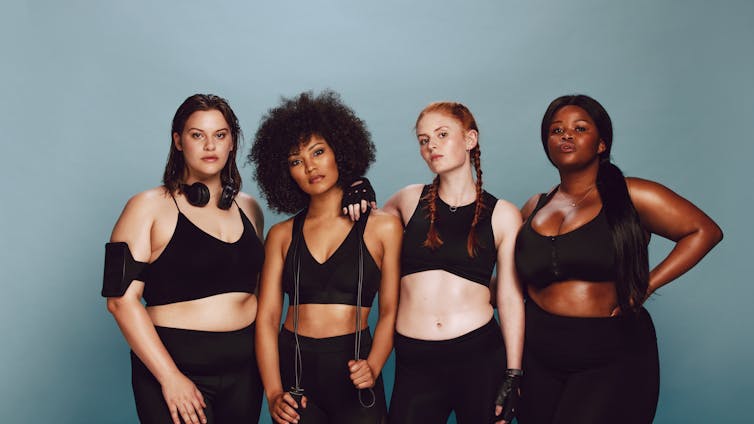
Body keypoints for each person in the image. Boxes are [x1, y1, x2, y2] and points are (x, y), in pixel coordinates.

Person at [514, 94, 723, 423]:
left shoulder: (631, 195)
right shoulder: (533, 207)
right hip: (538, 354)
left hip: (608, 353)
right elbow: (514, 283)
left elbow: (703, 231)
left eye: (579, 128)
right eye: (556, 131)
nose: (566, 135)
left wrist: (647, 285)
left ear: (601, 144)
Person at [102, 94, 265, 424]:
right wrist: (169, 377)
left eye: (220, 135)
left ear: (232, 141)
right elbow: (120, 302)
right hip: (176, 371)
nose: (210, 146)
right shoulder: (147, 206)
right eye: (197, 135)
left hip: (245, 374)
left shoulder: (250, 209)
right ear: (178, 141)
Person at [361, 101, 525, 423]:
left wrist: (514, 371)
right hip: (415, 360)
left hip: (478, 355)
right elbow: (360, 230)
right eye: (424, 140)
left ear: (470, 139)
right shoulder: (408, 200)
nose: (431, 145)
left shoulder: (503, 214)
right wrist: (356, 190)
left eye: (441, 134)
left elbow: (508, 298)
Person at [250, 90, 402, 424]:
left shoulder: (384, 228)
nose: (310, 166)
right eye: (295, 161)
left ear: (340, 151)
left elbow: (391, 311)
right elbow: (265, 320)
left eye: (318, 151)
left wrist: (374, 364)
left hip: (355, 371)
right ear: (284, 172)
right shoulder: (280, 236)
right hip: (296, 373)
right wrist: (274, 392)